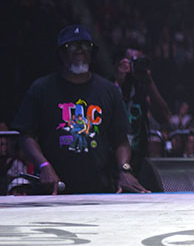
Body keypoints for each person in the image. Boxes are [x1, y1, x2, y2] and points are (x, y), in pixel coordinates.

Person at [12, 25, 148, 194]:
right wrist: (44, 166)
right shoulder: (42, 89)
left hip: (99, 189)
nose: (80, 50)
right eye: (72, 46)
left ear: (92, 53)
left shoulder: (108, 90)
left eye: (85, 46)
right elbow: (26, 135)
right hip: (54, 190)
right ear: (62, 53)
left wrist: (124, 169)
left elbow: (121, 139)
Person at [113, 48, 172, 192]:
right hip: (111, 161)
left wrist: (149, 82)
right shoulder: (109, 88)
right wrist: (118, 80)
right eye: (134, 62)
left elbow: (164, 117)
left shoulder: (143, 89)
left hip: (138, 160)